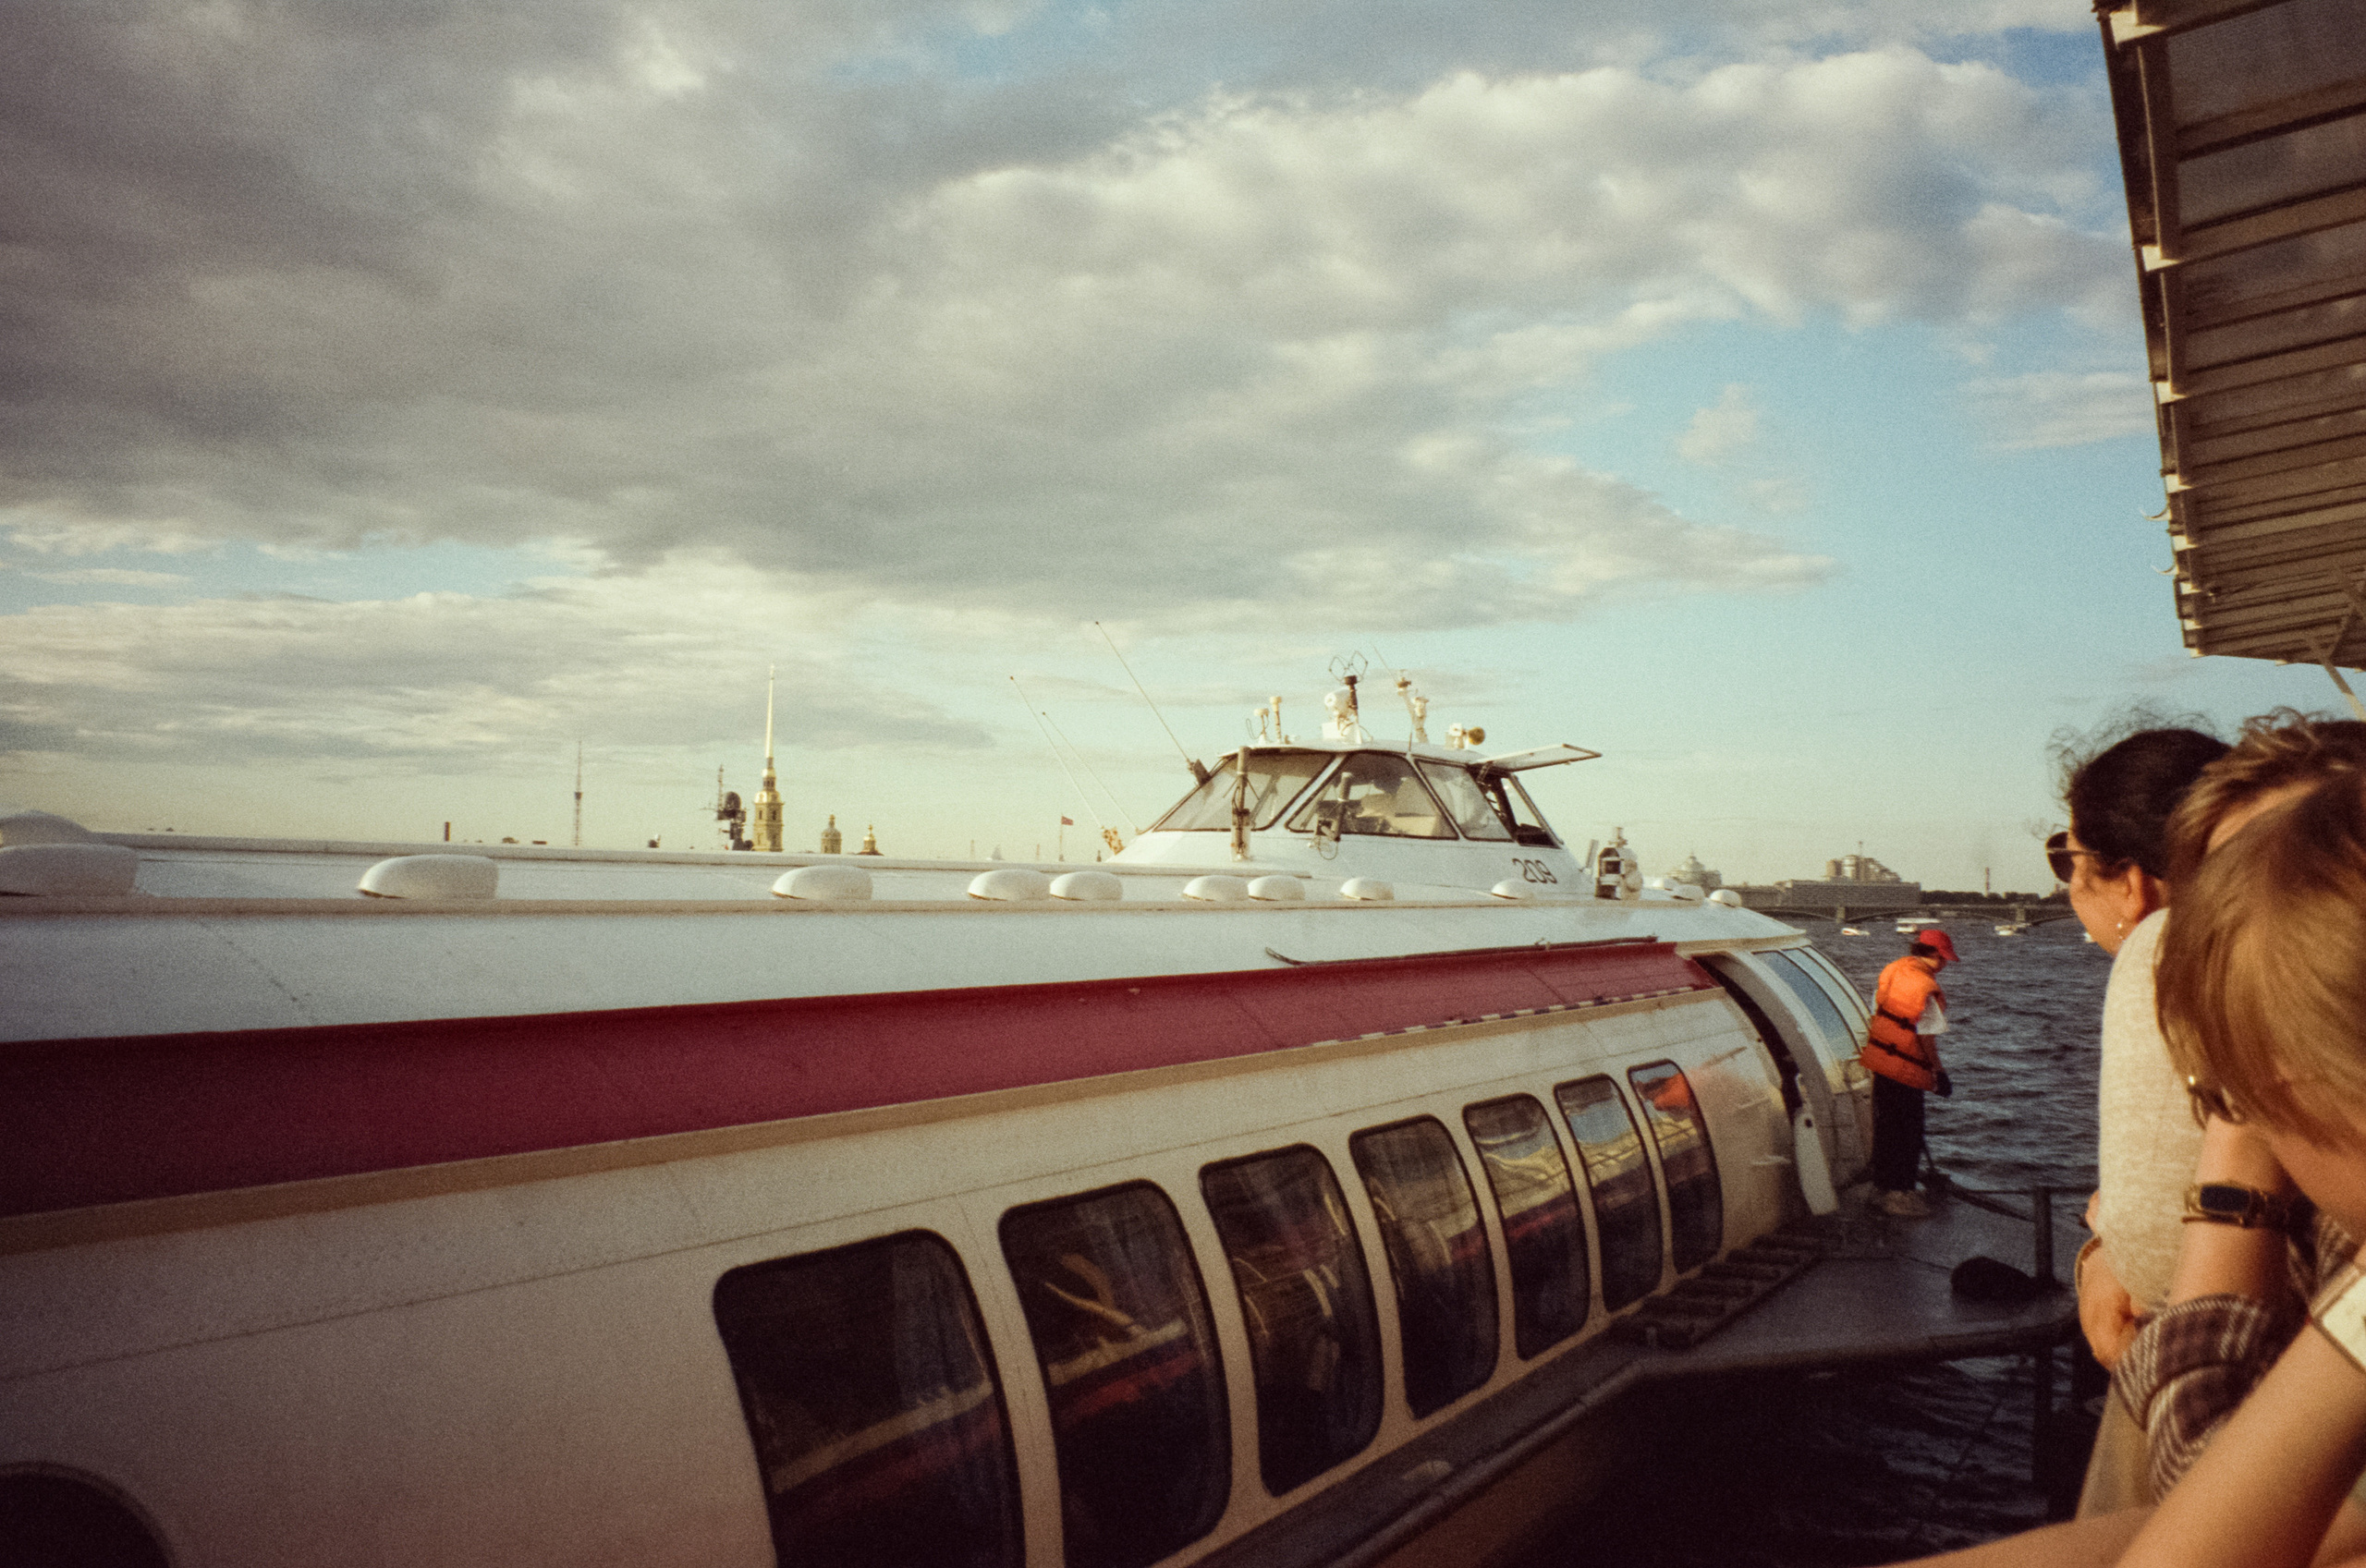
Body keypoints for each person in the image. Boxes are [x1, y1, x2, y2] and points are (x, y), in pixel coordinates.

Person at [2052, 726, 2228, 1516]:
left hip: (2214, 1405)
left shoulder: (2161, 950)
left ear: (2131, 882)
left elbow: (2155, 1272)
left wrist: (2103, 1252)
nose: (2066, 885)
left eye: (2068, 859)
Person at [1861, 929, 1959, 1218]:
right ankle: (1900, 1195)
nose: (1945, 965)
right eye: (1945, 959)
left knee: (1886, 1129)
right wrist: (1939, 1073)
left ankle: (1881, 1189)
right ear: (1936, 955)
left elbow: (1876, 1009)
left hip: (1882, 1063)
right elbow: (1926, 1036)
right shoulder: (1923, 985)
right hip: (1906, 1069)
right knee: (1908, 1133)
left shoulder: (1892, 971)